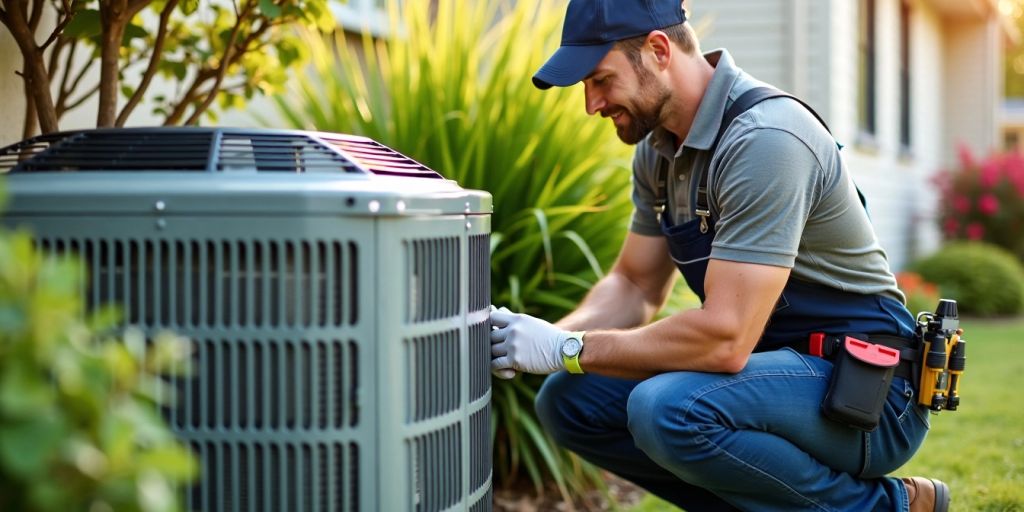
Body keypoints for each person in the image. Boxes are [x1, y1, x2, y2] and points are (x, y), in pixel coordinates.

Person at [487, 1, 951, 511]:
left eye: (600, 80)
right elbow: (635, 285)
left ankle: (892, 507)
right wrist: (544, 341)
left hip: (870, 392)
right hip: (774, 375)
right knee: (571, 400)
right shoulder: (659, 152)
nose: (591, 104)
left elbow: (726, 338)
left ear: (658, 50)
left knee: (667, 409)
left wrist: (570, 350)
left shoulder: (766, 140)